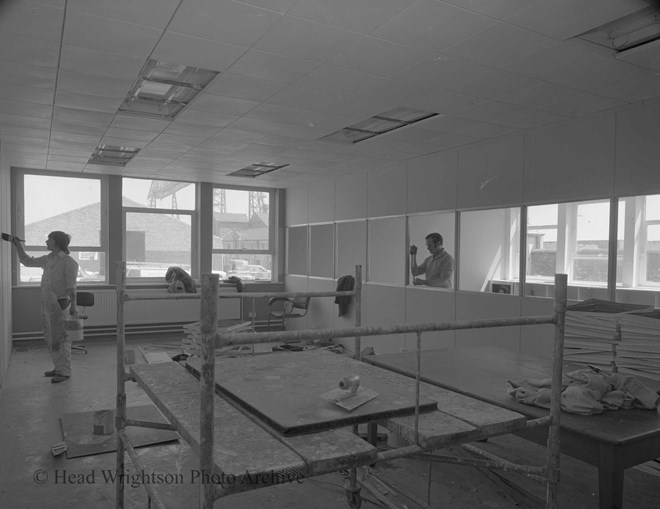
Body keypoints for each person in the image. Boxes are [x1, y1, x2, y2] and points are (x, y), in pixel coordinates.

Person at [10, 231, 78, 383]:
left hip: (61, 305)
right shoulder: (48, 259)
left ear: (57, 242)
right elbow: (27, 261)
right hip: (47, 304)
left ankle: (64, 372)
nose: (46, 242)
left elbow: (72, 288)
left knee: (61, 338)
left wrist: (74, 307)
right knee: (50, 337)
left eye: (49, 239)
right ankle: (58, 367)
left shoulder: (69, 262)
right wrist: (17, 246)